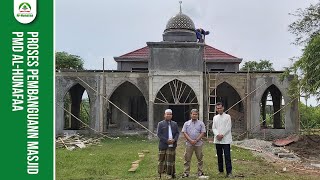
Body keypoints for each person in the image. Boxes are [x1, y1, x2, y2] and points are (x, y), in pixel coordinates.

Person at [181, 109, 206, 178]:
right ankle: (186, 172)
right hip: (189, 144)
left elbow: (203, 132)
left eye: (196, 114)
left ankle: (200, 172)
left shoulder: (201, 123)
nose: (194, 115)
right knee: (187, 158)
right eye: (193, 114)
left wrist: (196, 140)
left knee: (200, 158)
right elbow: (184, 132)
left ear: (197, 115)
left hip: (198, 144)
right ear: (191, 115)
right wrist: (190, 140)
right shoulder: (186, 123)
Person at [157, 109, 179, 179]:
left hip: (172, 145)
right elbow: (159, 134)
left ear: (171, 116)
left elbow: (177, 133)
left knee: (171, 160)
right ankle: (160, 174)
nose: (168, 115)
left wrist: (174, 140)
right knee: (161, 160)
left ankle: (171, 174)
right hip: (163, 145)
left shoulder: (174, 124)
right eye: (167, 114)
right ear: (164, 115)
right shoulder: (160, 124)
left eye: (170, 114)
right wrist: (166, 141)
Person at [212, 102, 233, 178]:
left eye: (220, 108)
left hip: (226, 139)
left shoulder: (228, 117)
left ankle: (229, 172)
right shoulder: (215, 117)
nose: (219, 109)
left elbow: (228, 127)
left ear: (223, 108)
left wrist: (222, 135)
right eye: (217, 108)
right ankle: (220, 170)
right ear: (216, 109)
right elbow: (213, 128)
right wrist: (217, 134)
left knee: (227, 156)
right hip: (218, 139)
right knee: (219, 156)